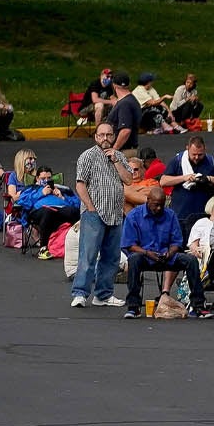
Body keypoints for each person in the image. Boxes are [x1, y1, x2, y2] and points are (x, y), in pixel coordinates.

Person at [72, 125, 138, 309]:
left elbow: (129, 180)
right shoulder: (87, 156)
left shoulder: (120, 156)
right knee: (88, 255)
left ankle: (103, 294)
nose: (105, 138)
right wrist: (90, 208)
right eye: (101, 135)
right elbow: (80, 185)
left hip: (115, 213)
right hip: (94, 213)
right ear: (95, 137)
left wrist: (116, 161)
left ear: (114, 136)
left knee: (111, 257)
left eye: (109, 135)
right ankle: (80, 293)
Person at [121, 186, 208, 318]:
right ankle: (134, 306)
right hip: (145, 256)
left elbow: (177, 242)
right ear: (148, 200)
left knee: (190, 260)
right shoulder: (134, 216)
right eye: (156, 205)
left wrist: (170, 253)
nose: (159, 209)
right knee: (133, 259)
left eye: (162, 205)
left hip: (166, 256)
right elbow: (129, 244)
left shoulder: (170, 215)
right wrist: (147, 253)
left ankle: (198, 306)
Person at [160, 133, 214, 239]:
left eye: (200, 154)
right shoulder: (178, 161)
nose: (197, 157)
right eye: (193, 154)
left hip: (205, 215)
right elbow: (163, 181)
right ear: (187, 149)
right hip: (181, 215)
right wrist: (184, 178)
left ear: (205, 150)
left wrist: (209, 178)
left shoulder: (211, 161)